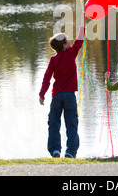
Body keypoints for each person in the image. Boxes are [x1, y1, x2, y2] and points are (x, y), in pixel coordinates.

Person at [39, 18, 86, 158]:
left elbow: (47, 77)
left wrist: (42, 94)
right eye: (67, 39)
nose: (69, 40)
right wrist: (83, 21)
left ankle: (55, 150)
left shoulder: (53, 60)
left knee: (54, 123)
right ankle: (70, 152)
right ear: (65, 45)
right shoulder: (71, 53)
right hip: (70, 96)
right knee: (71, 124)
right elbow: (80, 38)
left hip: (56, 96)